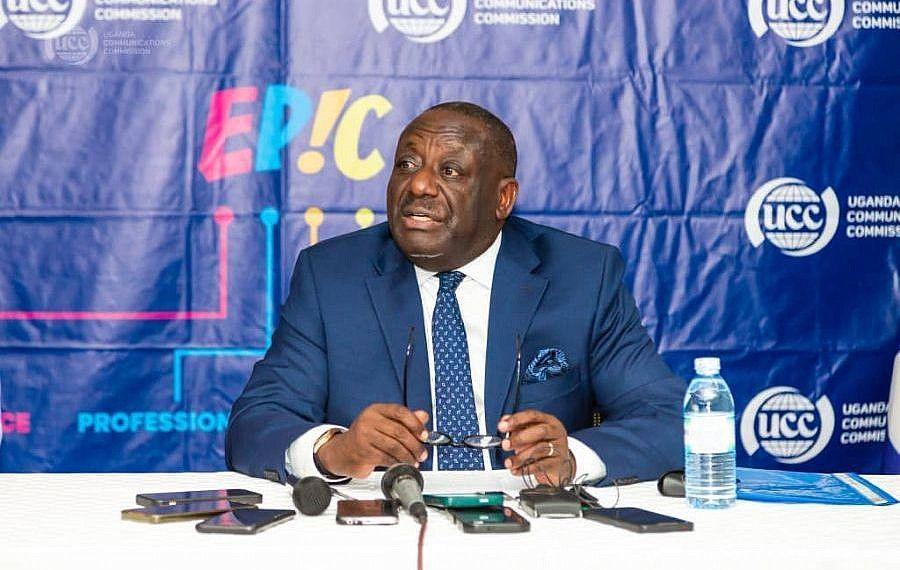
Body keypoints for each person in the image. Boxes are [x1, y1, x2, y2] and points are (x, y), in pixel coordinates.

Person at [226, 101, 684, 486]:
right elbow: (255, 423)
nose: (419, 185)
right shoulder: (331, 276)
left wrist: (572, 459)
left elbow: (670, 420)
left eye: (450, 171)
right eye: (407, 165)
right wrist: (333, 450)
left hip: (535, 532)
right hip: (384, 533)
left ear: (502, 199)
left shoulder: (582, 276)